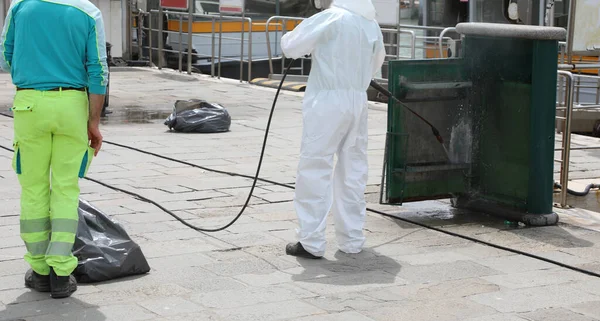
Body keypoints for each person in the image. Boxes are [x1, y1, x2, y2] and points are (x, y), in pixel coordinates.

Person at [0, 0, 108, 298]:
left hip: (29, 105)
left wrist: (33, 67)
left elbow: (5, 56)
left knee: (33, 189)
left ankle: (38, 270)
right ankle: (61, 272)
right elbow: (98, 69)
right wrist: (94, 122)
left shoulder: (20, 6)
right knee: (65, 188)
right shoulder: (89, 12)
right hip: (72, 107)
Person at [280, 0, 386, 259]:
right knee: (353, 170)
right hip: (357, 101)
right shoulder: (371, 24)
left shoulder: (330, 17)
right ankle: (351, 239)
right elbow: (376, 63)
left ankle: (311, 242)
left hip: (327, 100)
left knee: (315, 168)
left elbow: (291, 47)